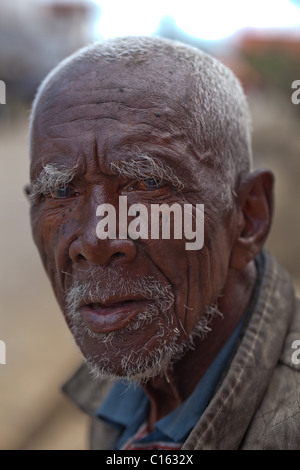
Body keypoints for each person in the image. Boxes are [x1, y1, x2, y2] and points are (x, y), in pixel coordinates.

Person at [27, 36, 300, 450]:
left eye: (148, 183)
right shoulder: (123, 396)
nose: (96, 241)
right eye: (61, 191)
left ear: (248, 216)